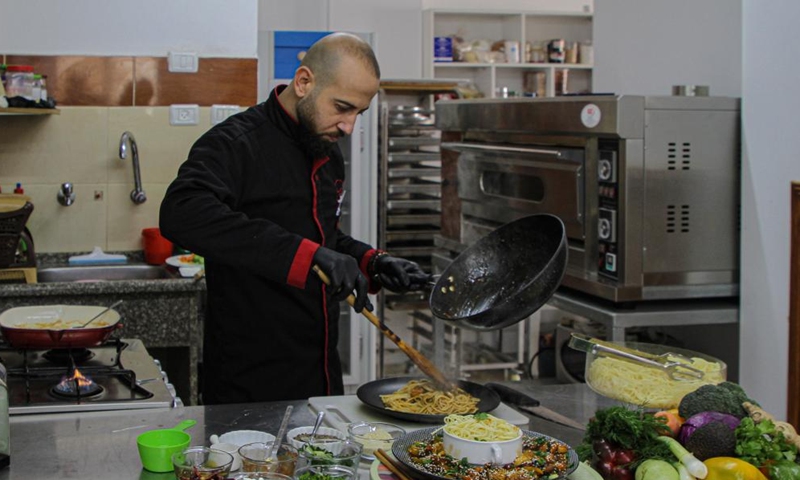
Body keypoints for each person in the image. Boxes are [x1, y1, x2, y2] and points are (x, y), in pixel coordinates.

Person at [159, 33, 430, 404]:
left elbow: (323, 238)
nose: (349, 126)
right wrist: (308, 256)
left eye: (358, 113)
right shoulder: (236, 142)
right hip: (249, 382)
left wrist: (373, 261)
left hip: (319, 375)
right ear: (304, 82)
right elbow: (181, 212)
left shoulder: (327, 152)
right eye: (342, 107)